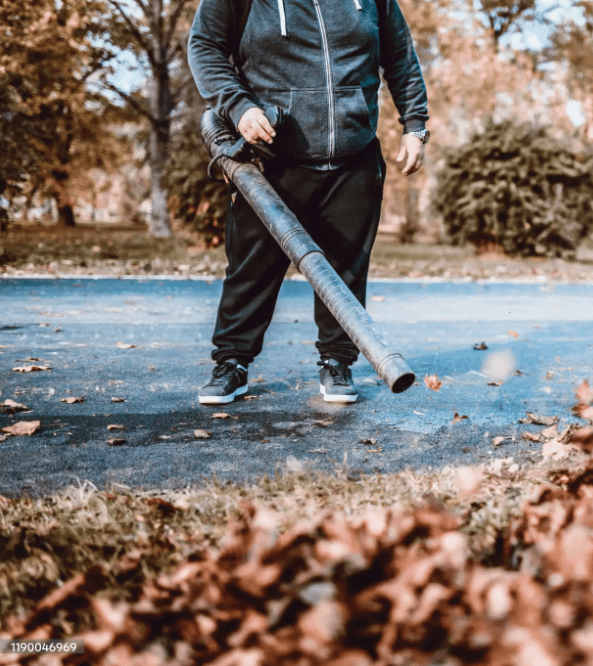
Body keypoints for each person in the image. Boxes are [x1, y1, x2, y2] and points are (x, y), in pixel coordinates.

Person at [188, 0, 429, 405]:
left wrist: (415, 125)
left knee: (345, 270)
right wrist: (238, 105)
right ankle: (233, 363)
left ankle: (337, 362)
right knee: (251, 269)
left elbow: (400, 54)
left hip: (354, 158)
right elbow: (205, 46)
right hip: (270, 160)